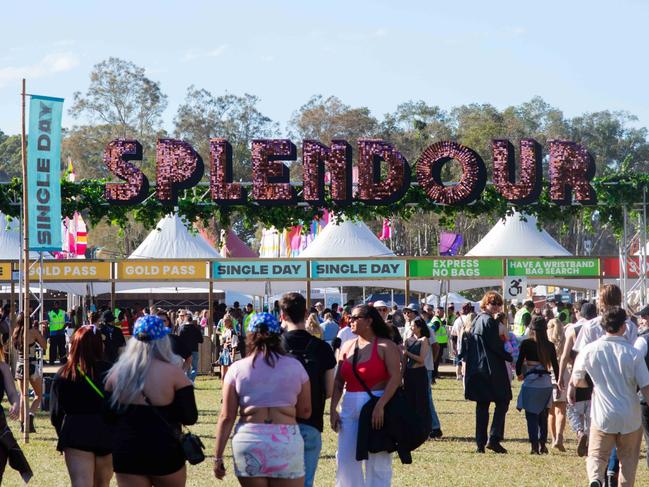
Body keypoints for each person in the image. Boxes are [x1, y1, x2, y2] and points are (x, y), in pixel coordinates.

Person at [213, 312, 311, 484]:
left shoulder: (237, 369)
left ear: (250, 335)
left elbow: (226, 416)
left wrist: (217, 457)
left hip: (249, 441)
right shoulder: (295, 367)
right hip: (285, 441)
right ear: (278, 335)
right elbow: (305, 411)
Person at [105, 315, 198, 486]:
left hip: (127, 449)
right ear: (163, 340)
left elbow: (108, 417)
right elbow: (190, 417)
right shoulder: (174, 374)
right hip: (164, 448)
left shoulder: (116, 374)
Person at [569, 307, 649, 487]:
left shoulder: (589, 350)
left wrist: (588, 386)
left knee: (597, 455)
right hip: (630, 415)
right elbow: (646, 387)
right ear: (623, 327)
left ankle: (596, 478)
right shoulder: (633, 353)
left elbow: (577, 379)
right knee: (628, 460)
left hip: (602, 413)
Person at [330, 304, 401, 486]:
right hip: (349, 404)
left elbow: (395, 378)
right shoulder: (347, 346)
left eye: (355, 318)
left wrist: (381, 406)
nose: (350, 321)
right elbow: (338, 382)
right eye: (349, 318)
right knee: (346, 458)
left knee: (377, 459)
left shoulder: (386, 346)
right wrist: (332, 410)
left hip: (376, 404)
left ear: (369, 321)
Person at [280, 293, 336, 487]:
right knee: (306, 482)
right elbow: (329, 391)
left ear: (282, 315)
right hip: (311, 423)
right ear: (306, 313)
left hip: (277, 424)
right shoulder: (322, 348)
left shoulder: (273, 348)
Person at [50, 325, 113, 487]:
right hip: (106, 430)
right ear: (100, 345)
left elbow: (56, 413)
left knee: (81, 483)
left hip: (76, 430)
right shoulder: (113, 372)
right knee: (102, 483)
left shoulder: (64, 374)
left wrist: (61, 434)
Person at [463, 291, 512, 454]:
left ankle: (480, 443)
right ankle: (494, 438)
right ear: (486, 304)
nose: (497, 306)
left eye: (498, 303)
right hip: (492, 369)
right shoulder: (489, 321)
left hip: (477, 368)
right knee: (503, 400)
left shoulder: (476, 320)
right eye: (493, 303)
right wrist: (509, 356)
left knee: (482, 406)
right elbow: (495, 346)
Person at [516, 316, 560, 454]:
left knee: (531, 417)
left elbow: (518, 363)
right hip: (546, 383)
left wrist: (519, 374)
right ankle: (543, 444)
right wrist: (557, 382)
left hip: (531, 383)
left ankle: (534, 446)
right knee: (543, 416)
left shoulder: (526, 344)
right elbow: (556, 367)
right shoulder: (549, 345)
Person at [560, 301, 597, 457]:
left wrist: (560, 375)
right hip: (595, 372)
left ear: (579, 312)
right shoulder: (601, 327)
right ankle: (588, 435)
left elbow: (564, 355)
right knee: (591, 408)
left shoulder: (573, 329)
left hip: (578, 371)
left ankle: (579, 431)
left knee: (572, 406)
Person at [12, 312, 47, 433]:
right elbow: (44, 346)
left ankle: (22, 424)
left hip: (19, 365)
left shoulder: (15, 332)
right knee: (38, 395)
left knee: (23, 396)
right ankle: (30, 415)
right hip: (31, 366)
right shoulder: (33, 332)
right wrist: (42, 332)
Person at [403, 318, 433, 436]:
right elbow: (404, 361)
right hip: (408, 373)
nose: (411, 327)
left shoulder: (424, 340)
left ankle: (425, 428)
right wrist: (401, 375)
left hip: (419, 373)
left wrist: (407, 353)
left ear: (419, 327)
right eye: (410, 325)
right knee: (410, 401)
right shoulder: (407, 340)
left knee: (422, 401)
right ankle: (411, 427)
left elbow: (421, 359)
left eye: (413, 325)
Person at [547, 314, 568, 452]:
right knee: (561, 409)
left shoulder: (546, 344)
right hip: (563, 375)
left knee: (551, 411)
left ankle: (554, 438)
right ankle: (559, 437)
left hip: (549, 376)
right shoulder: (565, 343)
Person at [178, 312, 204, 383]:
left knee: (187, 367)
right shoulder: (196, 329)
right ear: (191, 320)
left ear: (185, 320)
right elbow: (201, 340)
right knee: (194, 367)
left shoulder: (181, 328)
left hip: (184, 350)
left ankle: (187, 381)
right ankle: (191, 381)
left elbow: (179, 340)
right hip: (194, 350)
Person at [218, 314, 239, 382]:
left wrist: (232, 357)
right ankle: (223, 388)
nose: (224, 322)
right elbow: (222, 342)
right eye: (223, 321)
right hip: (224, 352)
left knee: (230, 374)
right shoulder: (225, 331)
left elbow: (234, 345)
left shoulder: (232, 331)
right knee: (223, 372)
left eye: (226, 321)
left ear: (230, 322)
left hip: (230, 354)